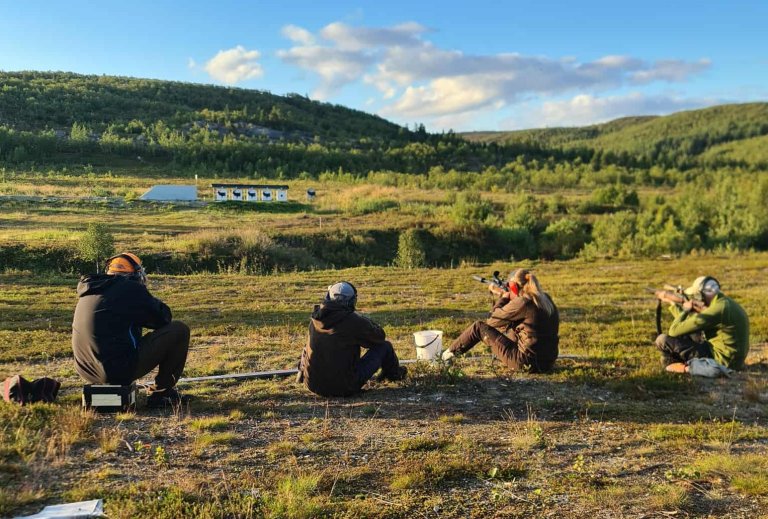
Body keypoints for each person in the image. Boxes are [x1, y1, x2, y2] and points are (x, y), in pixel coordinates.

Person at [72, 252, 191, 407]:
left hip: (86, 370)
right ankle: (162, 393)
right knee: (179, 330)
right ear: (135, 274)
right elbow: (163, 318)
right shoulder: (130, 289)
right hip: (117, 370)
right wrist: (145, 297)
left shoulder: (89, 289)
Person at [297, 281, 406, 397]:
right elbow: (379, 337)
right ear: (352, 301)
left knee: (308, 345)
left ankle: (300, 377)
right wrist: (363, 320)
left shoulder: (315, 318)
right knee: (385, 346)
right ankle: (394, 376)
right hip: (344, 387)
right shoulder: (353, 321)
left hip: (312, 385)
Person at [442, 269, 559, 373]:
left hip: (526, 363)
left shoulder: (523, 302)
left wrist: (503, 298)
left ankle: (445, 357)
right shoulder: (545, 298)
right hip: (548, 362)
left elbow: (491, 321)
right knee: (510, 328)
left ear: (514, 287)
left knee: (478, 327)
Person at [654, 276, 749, 370]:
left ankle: (677, 367)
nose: (696, 299)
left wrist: (686, 310)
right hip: (733, 359)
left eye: (696, 296)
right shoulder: (725, 302)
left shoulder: (717, 310)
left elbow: (674, 331)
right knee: (691, 333)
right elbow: (689, 324)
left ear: (701, 295)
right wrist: (673, 304)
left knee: (662, 340)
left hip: (722, 361)